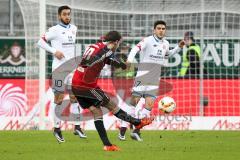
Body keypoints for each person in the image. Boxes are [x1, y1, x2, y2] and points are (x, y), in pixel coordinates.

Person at [72, 31, 153, 151]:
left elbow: (107, 59)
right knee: (111, 104)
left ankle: (108, 145)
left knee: (97, 112)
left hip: (76, 84)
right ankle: (136, 122)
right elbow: (100, 57)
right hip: (86, 86)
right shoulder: (106, 50)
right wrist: (93, 62)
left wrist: (122, 65)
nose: (118, 46)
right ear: (115, 42)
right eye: (119, 43)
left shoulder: (96, 46)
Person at [118, 20, 185, 141]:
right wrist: (129, 60)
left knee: (149, 104)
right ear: (154, 30)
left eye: (163, 29)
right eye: (159, 28)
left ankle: (136, 131)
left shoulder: (165, 43)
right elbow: (135, 49)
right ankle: (122, 130)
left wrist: (178, 48)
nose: (161, 30)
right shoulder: (147, 40)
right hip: (143, 76)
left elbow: (167, 55)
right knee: (134, 102)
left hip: (155, 79)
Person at [37, 5, 86, 143]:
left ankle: (77, 127)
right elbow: (40, 42)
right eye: (64, 14)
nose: (67, 17)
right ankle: (57, 129)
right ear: (59, 16)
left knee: (75, 97)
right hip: (59, 70)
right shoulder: (54, 30)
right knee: (58, 99)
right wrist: (54, 51)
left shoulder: (74, 28)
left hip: (72, 69)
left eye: (69, 14)